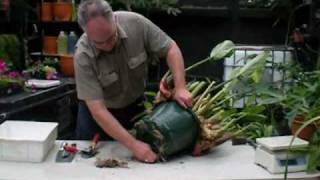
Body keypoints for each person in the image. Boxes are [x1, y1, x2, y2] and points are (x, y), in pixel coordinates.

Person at [74, 0, 193, 163]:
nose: (107, 46)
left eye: (110, 38)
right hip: (97, 120)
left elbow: (170, 48)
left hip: (134, 109)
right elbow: (98, 110)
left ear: (114, 20)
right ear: (85, 32)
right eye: (99, 43)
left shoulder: (136, 23)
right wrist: (134, 145)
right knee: (91, 166)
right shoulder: (83, 56)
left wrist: (180, 87)